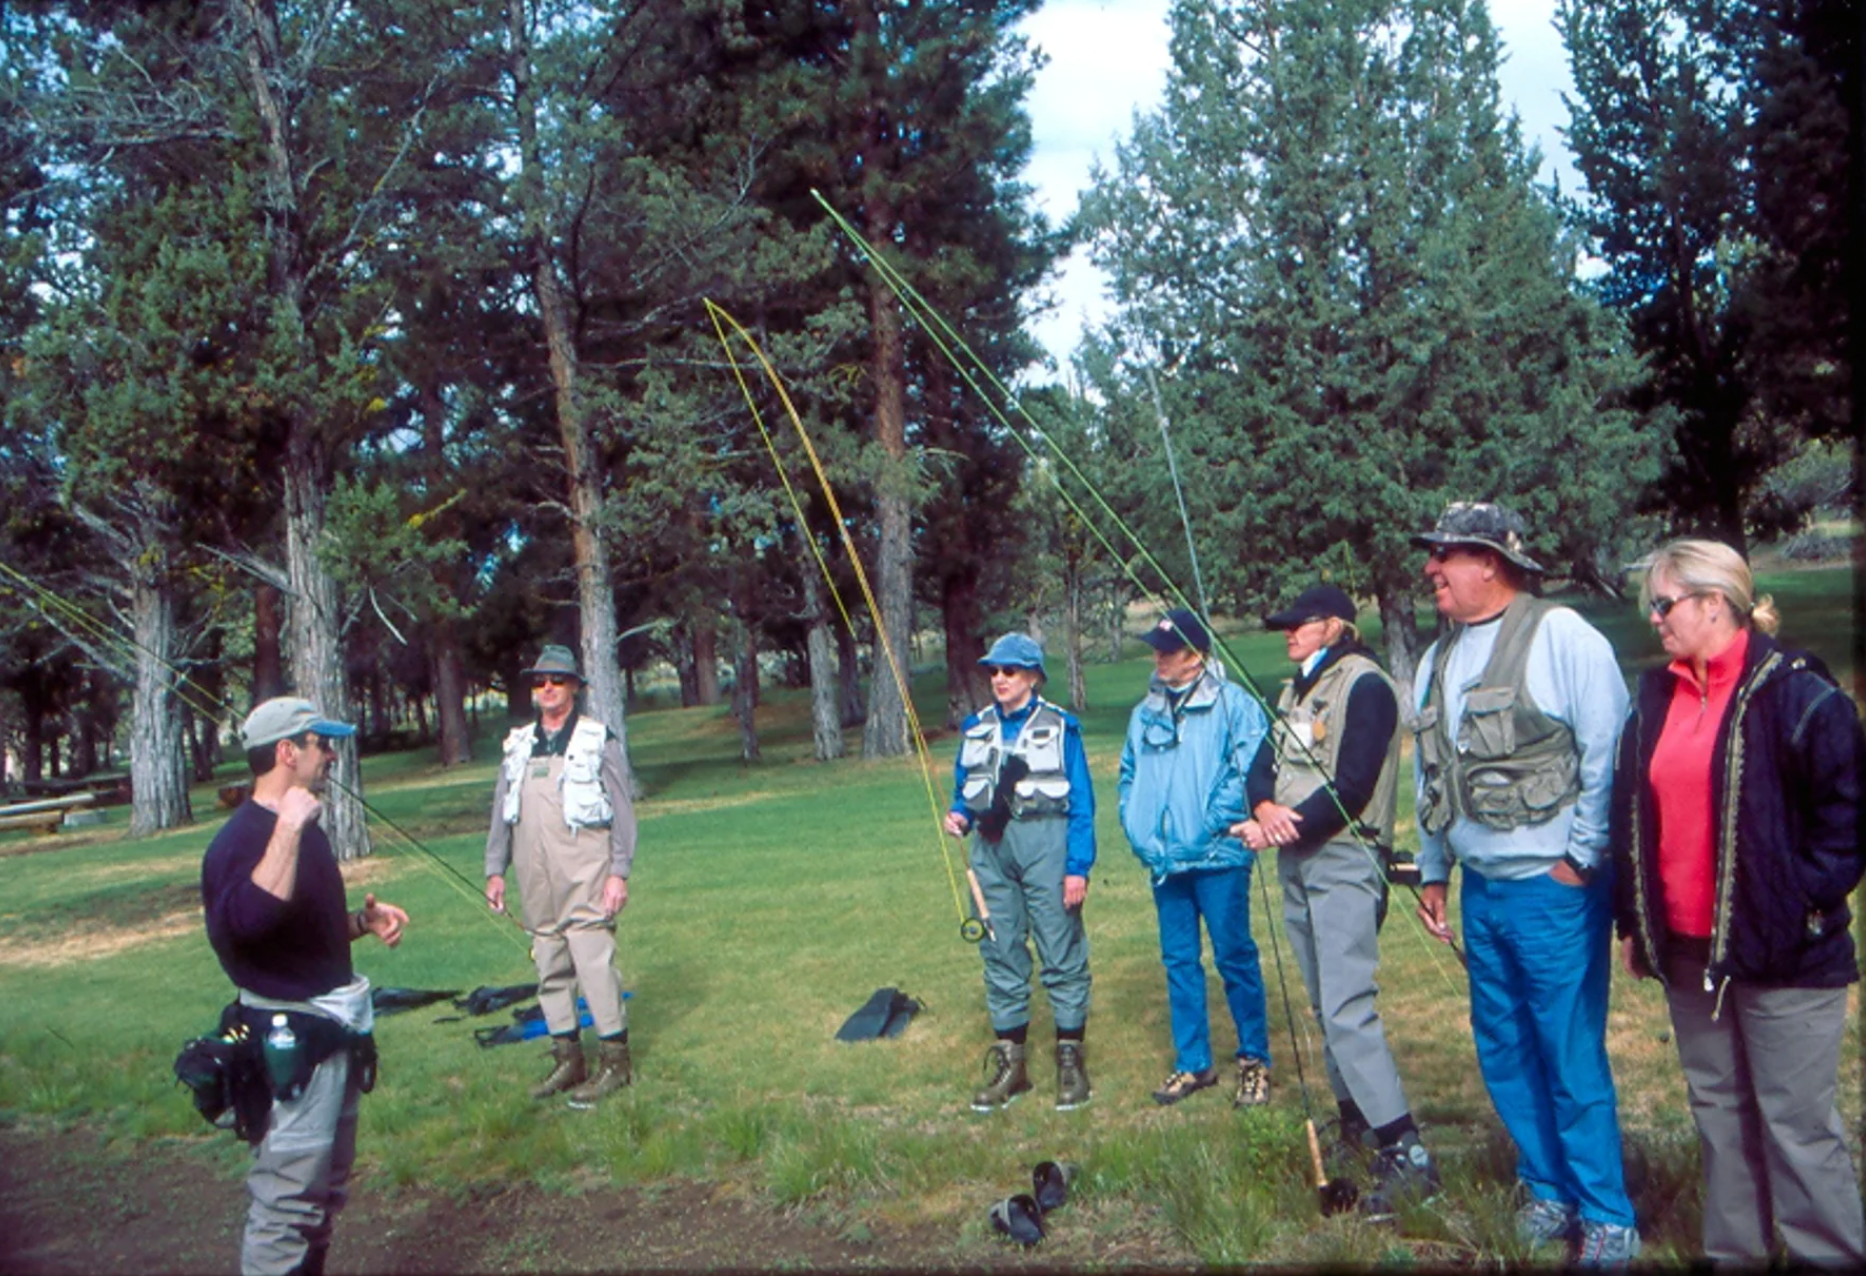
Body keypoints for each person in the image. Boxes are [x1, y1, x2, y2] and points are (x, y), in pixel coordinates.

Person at [1610, 539, 1865, 1266]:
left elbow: (1846, 822)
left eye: (1664, 604)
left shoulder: (1800, 695)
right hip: (1690, 956)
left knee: (1797, 1126)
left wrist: (1794, 904)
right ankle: (1736, 1256)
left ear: (1715, 603)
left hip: (1787, 956)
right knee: (1719, 1117)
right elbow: (1631, 813)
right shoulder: (1654, 697)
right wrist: (1636, 921)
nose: (1653, 618)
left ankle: (1830, 1257)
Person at [1409, 501, 1639, 1266]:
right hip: (1482, 891)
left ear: (1490, 563)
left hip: (1554, 892)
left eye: (1444, 555)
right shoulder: (1434, 661)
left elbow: (1610, 753)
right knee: (1504, 1049)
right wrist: (1435, 870)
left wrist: (1580, 860)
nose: (1430, 569)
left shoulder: (1563, 636)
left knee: (1568, 1054)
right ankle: (1548, 1190)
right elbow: (1431, 775)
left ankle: (1607, 1214)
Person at [1235, 582, 1438, 1218]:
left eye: (1300, 623)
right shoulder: (1295, 690)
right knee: (1325, 1003)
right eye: (1286, 624)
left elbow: (1352, 787)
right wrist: (1264, 809)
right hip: (1297, 859)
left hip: (1347, 859)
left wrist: (1278, 827)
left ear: (1334, 626)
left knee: (1348, 1006)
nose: (1288, 632)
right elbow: (1261, 767)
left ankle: (1407, 1150)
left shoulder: (1366, 686)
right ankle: (1358, 1122)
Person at [201, 696, 410, 1276]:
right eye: (322, 743)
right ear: (288, 752)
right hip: (291, 1042)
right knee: (288, 1200)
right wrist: (289, 826)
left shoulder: (305, 832)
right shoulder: (240, 841)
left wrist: (360, 923)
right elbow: (245, 927)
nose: (332, 755)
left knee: (324, 1193)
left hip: (334, 1031)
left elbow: (298, 926)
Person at [1119, 608, 1273, 1108]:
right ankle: (1193, 1062)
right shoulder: (1144, 712)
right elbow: (1128, 775)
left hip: (1219, 855)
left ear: (1197, 655)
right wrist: (1138, 825)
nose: (1158, 658)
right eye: (1156, 649)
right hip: (1166, 862)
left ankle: (1254, 1062)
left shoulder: (1235, 705)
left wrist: (1210, 822)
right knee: (1179, 961)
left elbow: (1250, 770)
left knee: (1234, 956)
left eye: (1169, 650)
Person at [944, 633, 1096, 1111]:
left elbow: (1083, 804)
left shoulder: (1061, 727)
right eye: (993, 671)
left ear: (1032, 676)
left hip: (1046, 843)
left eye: (1009, 671)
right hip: (989, 852)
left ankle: (1071, 1062)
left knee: (1060, 947)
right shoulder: (976, 727)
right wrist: (959, 816)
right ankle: (1012, 1067)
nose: (999, 679)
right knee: (999, 949)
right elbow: (963, 789)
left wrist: (1077, 867)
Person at [485, 643, 637, 1107]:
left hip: (586, 869)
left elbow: (623, 812)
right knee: (549, 962)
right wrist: (495, 871)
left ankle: (615, 1061)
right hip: (534, 874)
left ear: (574, 686)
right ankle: (568, 1059)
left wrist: (619, 872)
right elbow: (501, 814)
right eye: (539, 681)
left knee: (592, 961)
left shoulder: (598, 739)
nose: (547, 687)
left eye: (557, 680)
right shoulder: (518, 745)